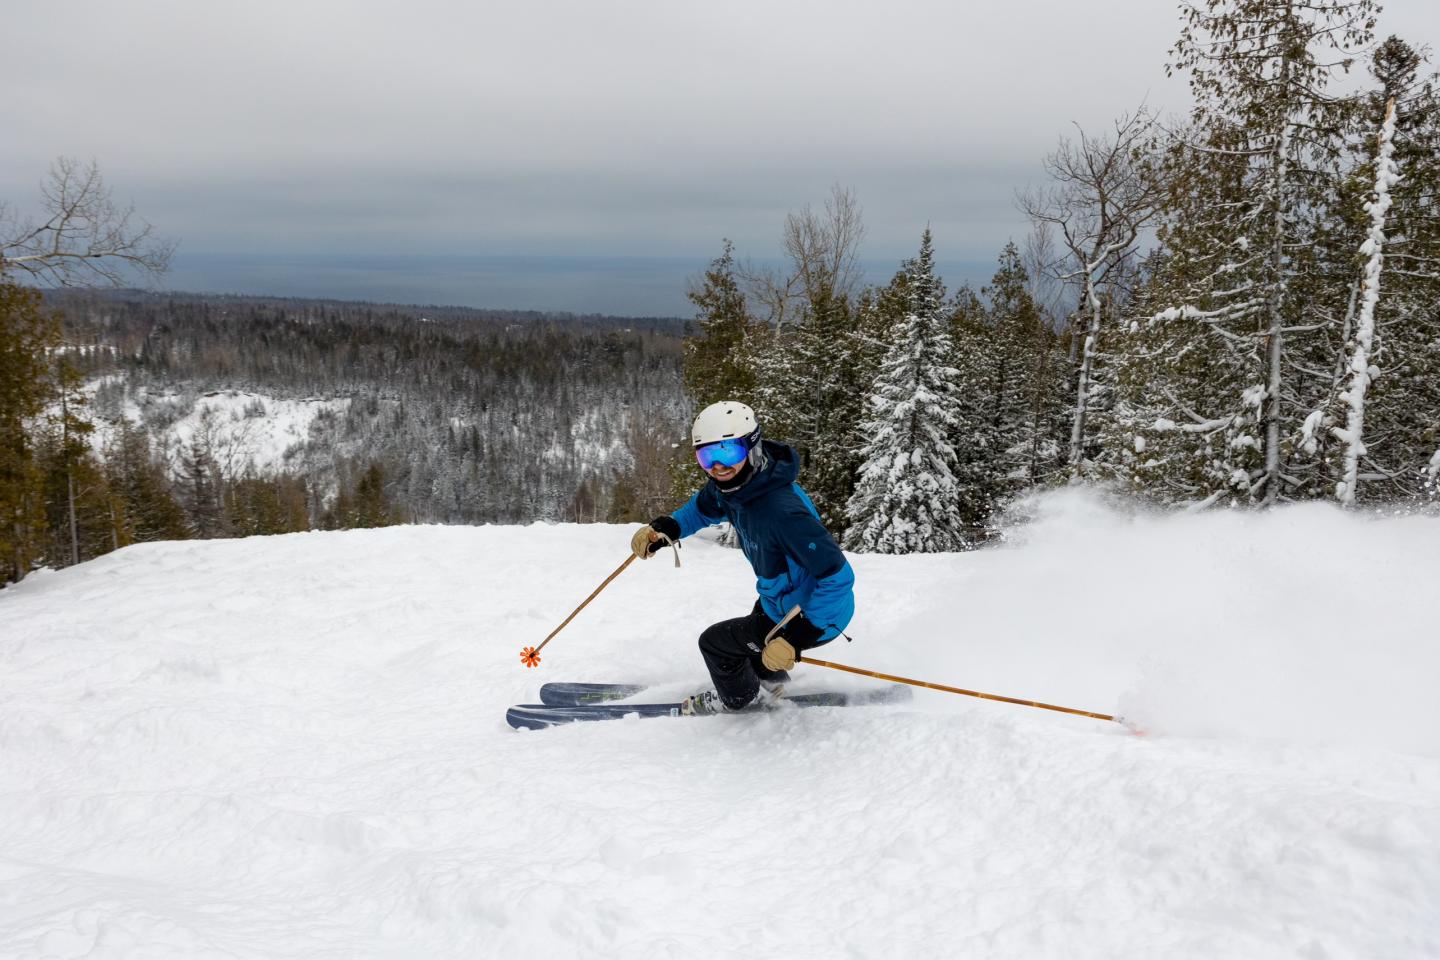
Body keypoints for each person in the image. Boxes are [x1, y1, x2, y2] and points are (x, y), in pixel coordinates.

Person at [630, 400, 855, 715]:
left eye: (728, 452)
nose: (718, 466)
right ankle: (775, 683)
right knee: (752, 645)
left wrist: (795, 638)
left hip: (814, 616)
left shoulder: (783, 512)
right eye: (706, 456)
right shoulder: (736, 486)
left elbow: (838, 577)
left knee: (715, 644)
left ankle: (738, 699)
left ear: (752, 447)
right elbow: (702, 508)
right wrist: (669, 529)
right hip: (778, 602)